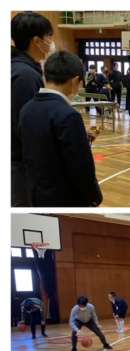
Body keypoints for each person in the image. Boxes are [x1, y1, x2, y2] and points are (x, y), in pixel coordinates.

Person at [19, 51, 103, 207]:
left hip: (36, 195)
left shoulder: (26, 109)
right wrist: (94, 196)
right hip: (65, 198)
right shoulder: (68, 115)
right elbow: (81, 167)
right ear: (75, 81)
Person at [11, 12, 54, 207]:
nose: (51, 42)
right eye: (49, 37)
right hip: (20, 165)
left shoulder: (24, 69)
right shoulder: (24, 76)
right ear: (36, 41)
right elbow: (27, 128)